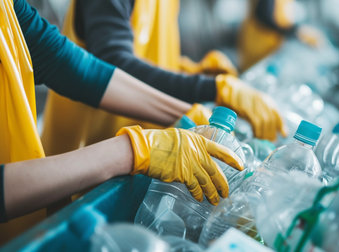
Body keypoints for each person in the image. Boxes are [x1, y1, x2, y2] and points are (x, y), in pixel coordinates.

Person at [0, 0, 243, 243]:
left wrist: (185, 114)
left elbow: (65, 63)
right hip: (74, 169)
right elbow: (113, 57)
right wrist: (131, 151)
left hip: (38, 213)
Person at [41, 0, 287, 156]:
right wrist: (211, 88)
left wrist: (187, 71)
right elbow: (113, 63)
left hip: (149, 146)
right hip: (90, 154)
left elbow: (143, 51)